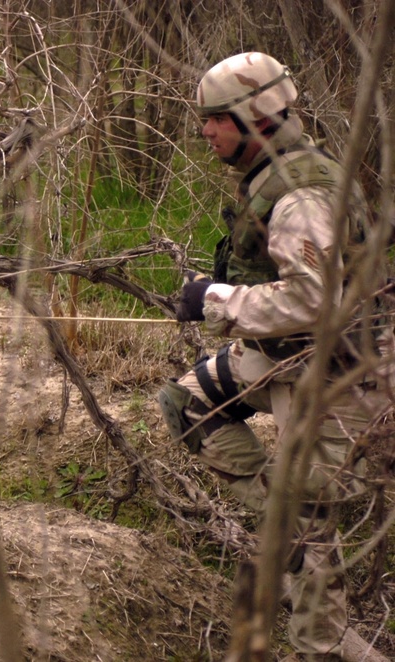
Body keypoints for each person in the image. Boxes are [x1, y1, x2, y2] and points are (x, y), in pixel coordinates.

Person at [157, 52, 392, 661]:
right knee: (186, 400)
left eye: (215, 119)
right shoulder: (277, 176)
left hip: (342, 381)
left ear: (255, 117)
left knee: (310, 522)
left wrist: (216, 299)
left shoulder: (301, 194)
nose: (204, 130)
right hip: (285, 361)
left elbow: (315, 300)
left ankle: (320, 644)